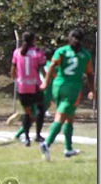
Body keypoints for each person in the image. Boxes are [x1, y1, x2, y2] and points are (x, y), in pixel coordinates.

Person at [39, 29, 95, 160]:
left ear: (69, 38)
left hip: (57, 86)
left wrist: (46, 82)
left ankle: (68, 148)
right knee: (61, 116)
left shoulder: (61, 51)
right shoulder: (85, 55)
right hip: (73, 89)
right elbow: (90, 74)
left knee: (70, 116)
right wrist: (92, 90)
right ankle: (46, 143)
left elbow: (52, 65)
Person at [10, 31, 46, 147]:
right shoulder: (37, 52)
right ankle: (38, 135)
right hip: (35, 85)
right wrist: (46, 80)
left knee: (27, 112)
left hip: (22, 86)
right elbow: (42, 69)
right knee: (40, 108)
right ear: (33, 40)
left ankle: (26, 138)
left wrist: (17, 78)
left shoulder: (17, 52)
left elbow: (13, 70)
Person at [14, 48, 55, 140]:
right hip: (45, 92)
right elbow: (53, 78)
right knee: (36, 115)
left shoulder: (38, 63)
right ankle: (27, 134)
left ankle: (21, 134)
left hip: (34, 89)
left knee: (31, 114)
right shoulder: (52, 66)